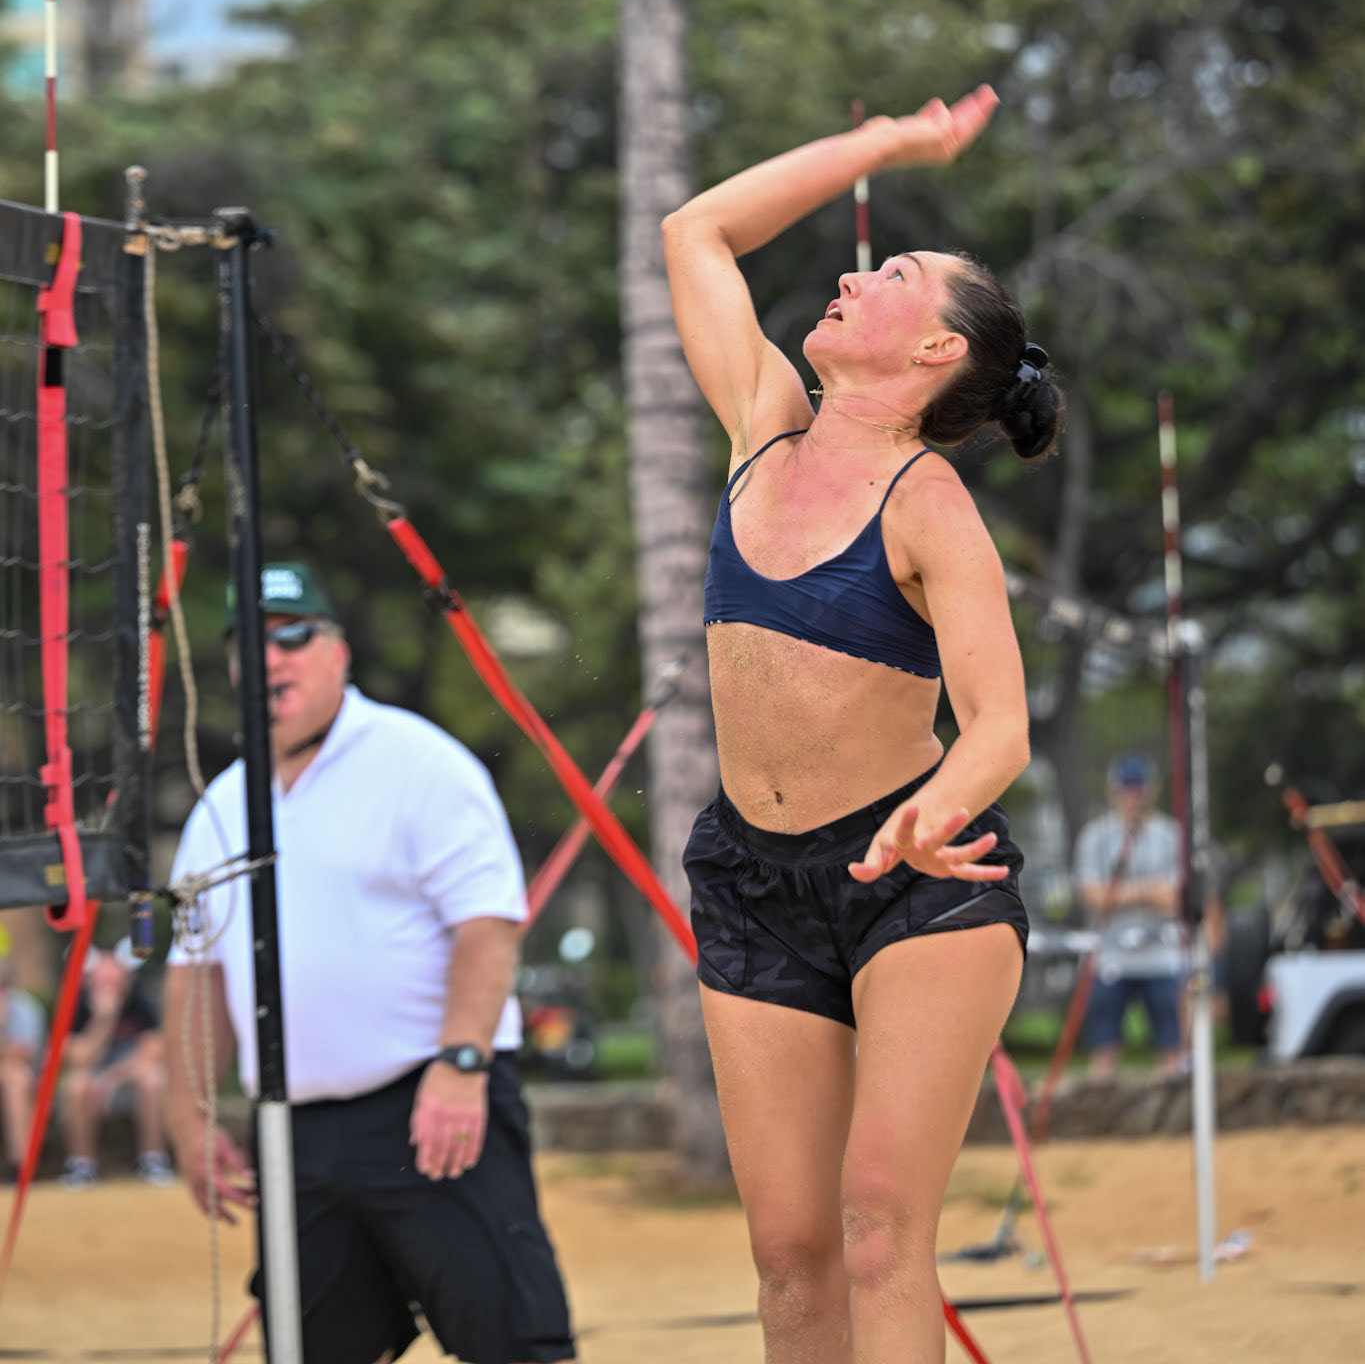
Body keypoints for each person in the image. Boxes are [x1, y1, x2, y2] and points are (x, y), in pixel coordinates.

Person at [663, 87, 1060, 1364]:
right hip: (752, 877)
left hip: (919, 886)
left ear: (938, 350)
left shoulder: (929, 501)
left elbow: (999, 725)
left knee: (882, 1229)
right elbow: (697, 232)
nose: (849, 271)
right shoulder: (760, 425)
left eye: (891, 272)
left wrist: (930, 814)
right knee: (791, 1259)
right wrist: (887, 145)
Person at [163, 561, 574, 1364]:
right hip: (295, 1129)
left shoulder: (418, 762)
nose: (273, 658)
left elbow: (487, 924)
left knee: (512, 1341)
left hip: (429, 1106)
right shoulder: (221, 805)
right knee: (320, 1351)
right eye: (253, 645)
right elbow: (196, 972)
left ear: (337, 652)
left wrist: (460, 1065)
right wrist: (190, 1117)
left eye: (294, 636)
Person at [1072, 752, 1185, 1076]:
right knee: (1104, 1047)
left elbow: (1175, 898)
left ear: (1153, 789)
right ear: (1113, 791)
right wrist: (1148, 890)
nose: (1133, 796)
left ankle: (1173, 1116)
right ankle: (1098, 1116)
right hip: (1110, 954)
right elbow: (1093, 897)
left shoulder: (1171, 834)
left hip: (1161, 954)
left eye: (1139, 788)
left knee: (1171, 1046)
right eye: (1126, 788)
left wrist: (1119, 894)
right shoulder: (1095, 836)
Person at [58, 941, 174, 1187]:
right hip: (93, 1087)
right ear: (89, 980)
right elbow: (78, 1058)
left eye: (116, 981)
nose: (111, 987)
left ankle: (154, 1161)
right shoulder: (75, 1005)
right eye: (104, 981)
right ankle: (82, 1166)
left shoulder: (140, 1002)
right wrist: (104, 1019)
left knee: (154, 1079)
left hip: (124, 1082)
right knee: (76, 1085)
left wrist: (111, 1078)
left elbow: (153, 1051)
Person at [0, 934, 45, 1183]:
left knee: (16, 1080)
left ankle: (22, 1167)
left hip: (18, 1074)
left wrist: (3, 1023)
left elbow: (23, 1054)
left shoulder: (26, 1008)